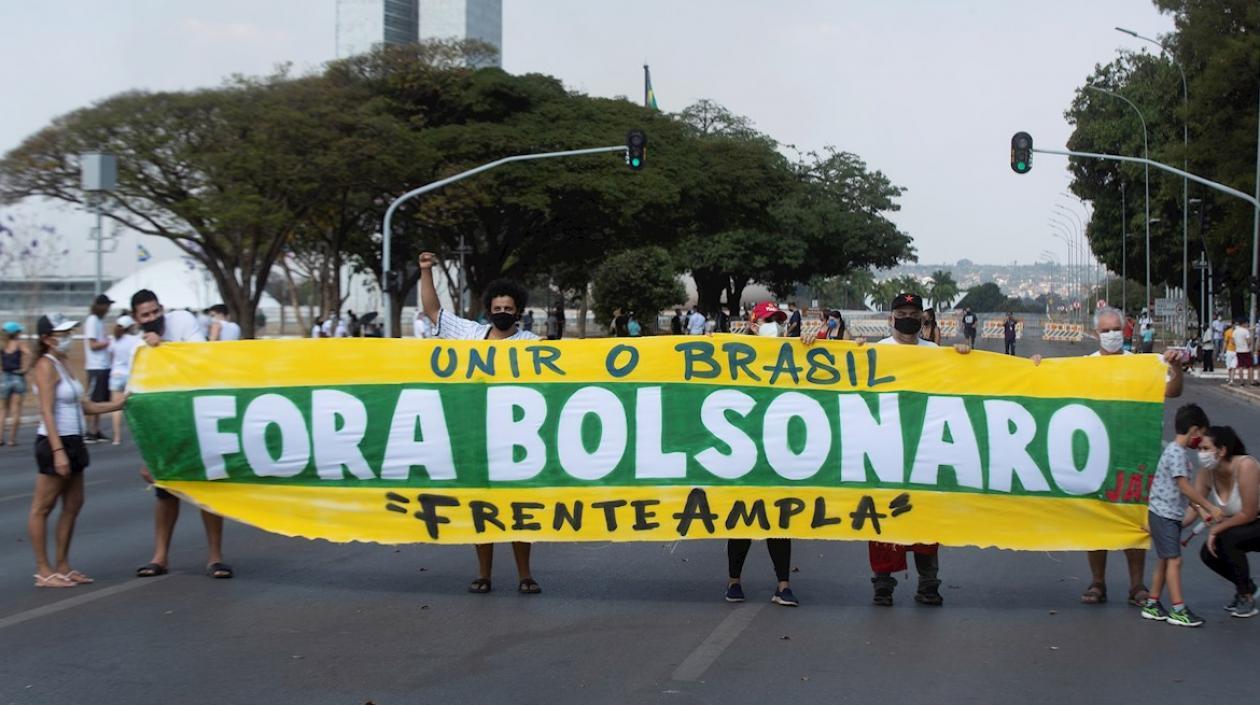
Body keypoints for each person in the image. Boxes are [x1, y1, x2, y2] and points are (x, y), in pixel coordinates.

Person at [806, 292, 970, 606]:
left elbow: (960, 385)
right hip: (882, 450)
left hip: (924, 449)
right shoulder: (873, 352)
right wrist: (812, 338)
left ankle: (928, 583)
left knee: (925, 519)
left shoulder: (936, 353)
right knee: (881, 517)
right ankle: (883, 584)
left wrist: (963, 354)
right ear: (891, 318)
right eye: (903, 312)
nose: (908, 318)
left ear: (923, 318)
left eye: (914, 312)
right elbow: (832, 371)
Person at [1036, 307, 1184, 607]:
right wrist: (1036, 366)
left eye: (1116, 329)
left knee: (1134, 519)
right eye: (1105, 330)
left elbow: (1173, 391)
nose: (1112, 334)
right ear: (1096, 334)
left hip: (1133, 452)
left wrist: (1177, 368)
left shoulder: (1143, 365)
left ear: (1124, 330)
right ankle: (1098, 583)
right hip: (1093, 454)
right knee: (1096, 520)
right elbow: (1047, 385)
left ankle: (1137, 586)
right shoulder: (1083, 366)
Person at [418, 251, 542, 595]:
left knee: (518, 511)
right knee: (482, 509)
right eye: (497, 309)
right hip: (477, 438)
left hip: (519, 441)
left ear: (519, 310)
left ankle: (525, 575)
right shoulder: (470, 334)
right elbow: (433, 312)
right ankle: (483, 574)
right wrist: (425, 271)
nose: (503, 314)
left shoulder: (533, 345)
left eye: (509, 309)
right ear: (489, 309)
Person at [129, 289, 232, 580]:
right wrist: (146, 453)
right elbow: (135, 399)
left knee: (207, 489)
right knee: (166, 492)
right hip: (164, 422)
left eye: (154, 312)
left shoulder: (183, 321)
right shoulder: (134, 347)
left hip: (197, 413)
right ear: (137, 319)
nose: (152, 319)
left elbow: (201, 357)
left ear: (162, 308)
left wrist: (164, 347)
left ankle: (215, 557)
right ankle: (160, 557)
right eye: (145, 315)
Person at [28, 313, 127, 588]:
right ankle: (43, 571)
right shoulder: (45, 366)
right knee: (42, 507)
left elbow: (84, 406)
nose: (67, 338)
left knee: (73, 504)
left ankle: (62, 565)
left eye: (69, 332)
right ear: (47, 339)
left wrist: (120, 404)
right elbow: (46, 410)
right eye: (62, 334)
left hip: (75, 440)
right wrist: (58, 451)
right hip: (53, 441)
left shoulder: (63, 364)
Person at [726, 301, 797, 606]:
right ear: (753, 325)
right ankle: (734, 582)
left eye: (778, 321)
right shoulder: (732, 355)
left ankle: (783, 584)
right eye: (769, 320)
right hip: (743, 450)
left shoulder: (795, 355)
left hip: (779, 450)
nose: (775, 326)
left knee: (780, 519)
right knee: (741, 517)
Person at [1139, 404, 1221, 627]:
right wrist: (1208, 506)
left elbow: (1183, 494)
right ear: (1194, 430)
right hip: (1164, 514)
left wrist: (1200, 510)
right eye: (1201, 434)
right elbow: (1184, 487)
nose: (1201, 441)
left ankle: (1153, 604)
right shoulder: (1176, 453)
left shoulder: (1179, 453)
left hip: (1167, 513)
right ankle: (1178, 609)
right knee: (1175, 560)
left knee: (1166, 561)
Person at [1195, 425, 1260, 618]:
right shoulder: (1207, 473)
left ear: (1222, 450)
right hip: (1249, 525)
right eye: (1199, 449)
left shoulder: (1245, 466)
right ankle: (1247, 585)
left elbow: (1249, 513)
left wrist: (1215, 529)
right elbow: (1195, 506)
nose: (1201, 454)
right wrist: (1168, 526)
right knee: (1208, 553)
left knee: (1227, 537)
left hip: (1254, 520)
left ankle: (1245, 597)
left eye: (1206, 449)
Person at [82, 294, 113, 444]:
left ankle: (95, 429)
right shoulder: (92, 320)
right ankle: (88, 430)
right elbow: (92, 345)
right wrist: (107, 342)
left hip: (103, 365)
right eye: (107, 305)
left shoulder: (100, 321)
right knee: (92, 400)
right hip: (95, 366)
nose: (108, 309)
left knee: (100, 400)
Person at [107, 315, 140, 446]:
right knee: (132, 407)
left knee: (116, 408)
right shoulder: (134, 340)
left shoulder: (114, 340)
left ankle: (116, 437)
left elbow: (110, 355)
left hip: (116, 374)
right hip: (129, 375)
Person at [1, 321, 30, 446]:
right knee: (16, 410)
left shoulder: (3, 345)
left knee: (2, 411)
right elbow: (29, 353)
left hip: (4, 378)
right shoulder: (19, 344)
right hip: (18, 376)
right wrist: (25, 369)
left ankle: (0, 438)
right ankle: (12, 440)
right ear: (16, 333)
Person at [1233, 318, 1254, 386]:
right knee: (1250, 366)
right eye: (1247, 323)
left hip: (1238, 350)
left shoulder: (1235, 331)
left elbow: (1233, 341)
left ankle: (1241, 382)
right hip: (1246, 350)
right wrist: (1248, 345)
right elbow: (1249, 341)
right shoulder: (1245, 331)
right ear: (1244, 323)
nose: (1247, 324)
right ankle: (1251, 381)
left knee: (1240, 366)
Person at [1224, 321, 1237, 385]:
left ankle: (1231, 380)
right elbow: (1225, 342)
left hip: (1236, 351)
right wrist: (1223, 350)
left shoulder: (1238, 332)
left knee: (1233, 366)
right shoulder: (1228, 332)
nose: (1236, 326)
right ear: (1232, 325)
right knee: (1229, 366)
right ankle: (1230, 378)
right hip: (1229, 350)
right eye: (1235, 324)